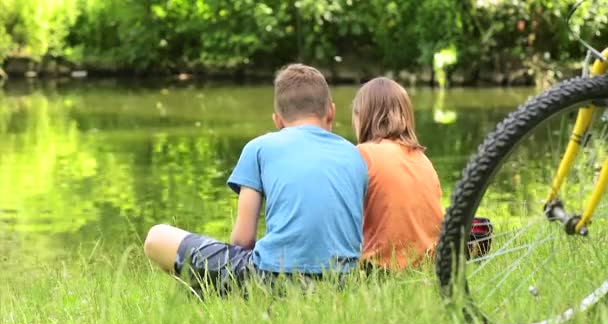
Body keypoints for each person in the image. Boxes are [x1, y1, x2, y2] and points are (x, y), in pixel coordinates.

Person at [143, 64, 368, 292]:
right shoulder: (354, 155)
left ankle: (211, 294)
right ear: (331, 111)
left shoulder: (260, 148)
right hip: (342, 283)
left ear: (277, 121)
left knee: (157, 237)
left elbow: (243, 240)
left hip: (272, 280)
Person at [352, 77, 444, 270]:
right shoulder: (422, 159)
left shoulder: (363, 154)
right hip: (429, 263)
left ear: (362, 117)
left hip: (381, 267)